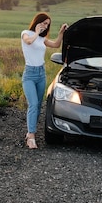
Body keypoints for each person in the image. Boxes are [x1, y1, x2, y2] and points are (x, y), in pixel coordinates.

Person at [21, 12, 68, 149]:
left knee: (39, 105)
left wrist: (61, 32)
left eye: (47, 24)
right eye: (43, 23)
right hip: (29, 74)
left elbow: (56, 44)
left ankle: (31, 132)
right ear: (37, 21)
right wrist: (36, 32)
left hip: (41, 73)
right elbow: (29, 41)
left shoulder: (42, 39)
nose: (45, 26)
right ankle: (31, 136)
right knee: (33, 104)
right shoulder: (26, 33)